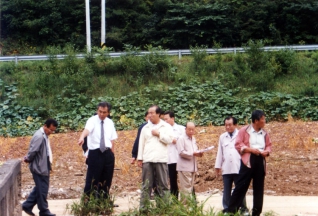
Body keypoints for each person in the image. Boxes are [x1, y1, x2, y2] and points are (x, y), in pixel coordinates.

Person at [226, 110, 272, 216]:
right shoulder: (244, 131)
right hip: (248, 160)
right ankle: (231, 210)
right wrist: (250, 150)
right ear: (256, 121)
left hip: (260, 160)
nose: (264, 121)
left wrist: (267, 151)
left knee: (259, 187)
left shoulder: (265, 133)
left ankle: (256, 212)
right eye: (262, 119)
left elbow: (269, 145)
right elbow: (238, 144)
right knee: (241, 186)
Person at [77, 102, 118, 204]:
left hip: (107, 153)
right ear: (97, 110)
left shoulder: (110, 123)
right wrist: (82, 137)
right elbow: (87, 130)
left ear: (108, 113)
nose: (101, 114)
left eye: (104, 112)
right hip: (95, 153)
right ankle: (88, 202)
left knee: (107, 178)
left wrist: (112, 153)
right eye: (100, 111)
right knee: (93, 178)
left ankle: (104, 202)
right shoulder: (92, 120)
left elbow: (112, 139)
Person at [137, 105, 174, 211]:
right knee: (146, 185)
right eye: (149, 113)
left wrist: (159, 134)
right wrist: (140, 158)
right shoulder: (145, 128)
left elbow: (170, 140)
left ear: (159, 114)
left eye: (152, 113)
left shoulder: (166, 127)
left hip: (161, 159)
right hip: (148, 159)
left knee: (163, 185)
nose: (150, 115)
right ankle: (143, 209)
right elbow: (141, 144)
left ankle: (164, 208)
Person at [22, 119, 58, 216]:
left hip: (43, 165)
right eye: (50, 130)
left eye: (53, 131)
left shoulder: (44, 135)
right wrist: (28, 159)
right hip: (39, 167)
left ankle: (27, 205)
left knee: (40, 187)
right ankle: (43, 210)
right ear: (45, 126)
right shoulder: (39, 136)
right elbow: (33, 151)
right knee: (42, 189)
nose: (51, 132)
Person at [215, 116, 248, 213]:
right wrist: (218, 166)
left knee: (240, 189)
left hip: (238, 167)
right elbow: (220, 152)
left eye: (230, 125)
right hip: (227, 167)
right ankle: (227, 209)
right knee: (226, 190)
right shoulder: (222, 137)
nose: (228, 127)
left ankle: (243, 209)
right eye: (226, 125)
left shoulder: (241, 135)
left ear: (235, 125)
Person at [176, 122, 203, 202]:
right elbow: (181, 152)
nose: (191, 131)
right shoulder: (181, 138)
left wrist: (199, 153)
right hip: (184, 167)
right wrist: (193, 153)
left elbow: (194, 150)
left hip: (192, 166)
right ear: (185, 129)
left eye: (193, 129)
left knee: (189, 188)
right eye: (189, 129)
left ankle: (186, 206)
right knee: (186, 188)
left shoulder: (193, 138)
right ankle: (185, 207)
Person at [163, 111, 185, 198]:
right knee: (172, 181)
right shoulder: (163, 130)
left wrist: (175, 140)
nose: (165, 121)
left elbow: (184, 141)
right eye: (164, 119)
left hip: (181, 158)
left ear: (172, 118)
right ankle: (174, 200)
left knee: (185, 180)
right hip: (170, 159)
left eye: (167, 119)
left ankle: (190, 199)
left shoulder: (181, 129)